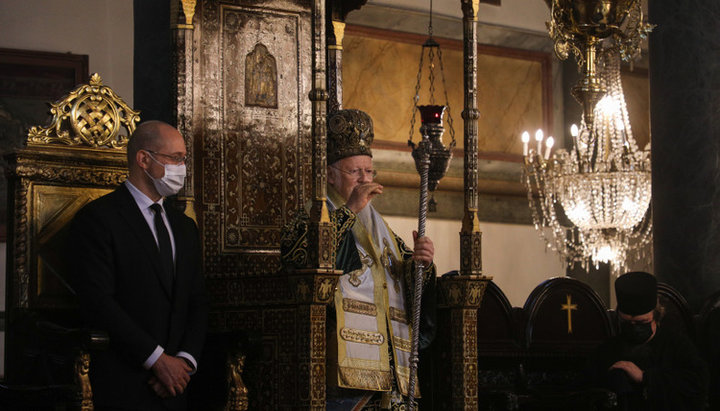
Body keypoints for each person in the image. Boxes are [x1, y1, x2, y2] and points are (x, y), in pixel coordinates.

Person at [281, 109, 437, 410]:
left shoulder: (381, 227)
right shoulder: (313, 215)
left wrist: (421, 262)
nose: (365, 181)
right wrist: (348, 211)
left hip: (391, 370)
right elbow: (304, 261)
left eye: (369, 172)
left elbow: (407, 279)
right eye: (356, 173)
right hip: (342, 372)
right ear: (330, 175)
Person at [69, 120, 208, 410]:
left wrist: (183, 362)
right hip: (124, 381)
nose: (181, 167)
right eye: (174, 158)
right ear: (144, 159)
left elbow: (197, 299)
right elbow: (98, 302)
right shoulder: (99, 219)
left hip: (178, 386)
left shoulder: (184, 227)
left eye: (184, 159)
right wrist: (157, 360)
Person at [589, 271, 708, 411]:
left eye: (641, 322)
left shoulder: (678, 345)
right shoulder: (607, 350)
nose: (634, 328)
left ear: (656, 316)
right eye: (627, 322)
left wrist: (645, 377)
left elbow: (698, 384)